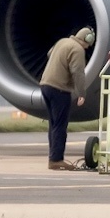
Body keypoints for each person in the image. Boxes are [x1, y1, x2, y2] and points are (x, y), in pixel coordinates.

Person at [39, 27, 95, 170]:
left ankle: (53, 158)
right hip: (59, 89)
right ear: (87, 40)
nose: (88, 47)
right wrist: (81, 93)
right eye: (89, 43)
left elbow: (49, 54)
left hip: (45, 85)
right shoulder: (78, 49)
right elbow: (78, 72)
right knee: (60, 126)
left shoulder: (62, 42)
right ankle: (56, 160)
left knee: (54, 124)